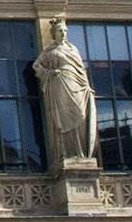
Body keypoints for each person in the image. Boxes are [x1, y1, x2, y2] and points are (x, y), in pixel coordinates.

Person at [33, 18, 97, 164]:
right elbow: (36, 66)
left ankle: (81, 153)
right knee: (63, 118)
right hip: (60, 84)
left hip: (77, 85)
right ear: (54, 33)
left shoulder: (73, 49)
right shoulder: (49, 51)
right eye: (60, 30)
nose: (63, 33)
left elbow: (81, 69)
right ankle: (68, 153)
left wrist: (86, 86)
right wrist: (49, 73)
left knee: (81, 115)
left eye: (65, 31)